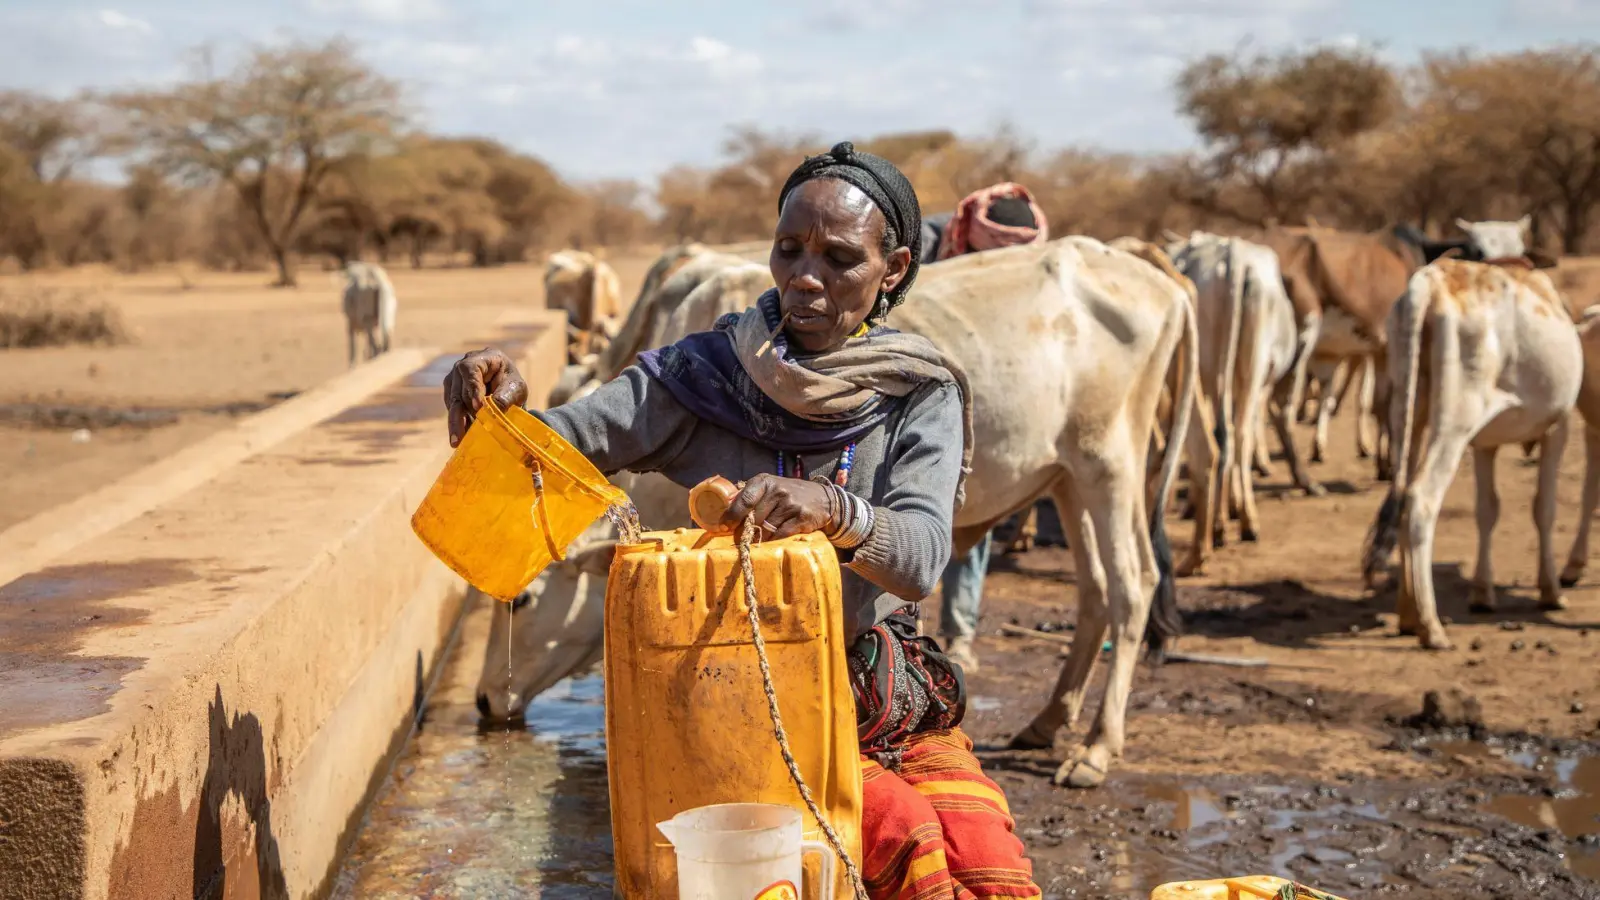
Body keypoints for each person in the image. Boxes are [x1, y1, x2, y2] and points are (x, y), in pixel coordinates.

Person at [443, 142, 1040, 899]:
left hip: (881, 696)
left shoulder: (917, 391)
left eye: (839, 258)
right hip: (739, 698)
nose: (805, 279)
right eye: (788, 250)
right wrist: (505, 411)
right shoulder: (705, 376)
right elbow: (562, 445)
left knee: (992, 869)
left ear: (892, 271)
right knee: (909, 846)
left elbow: (920, 559)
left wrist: (836, 510)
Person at [924, 183, 1050, 674]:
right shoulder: (929, 244)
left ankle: (959, 635)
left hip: (985, 396)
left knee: (970, 507)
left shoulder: (1024, 263)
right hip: (917, 390)